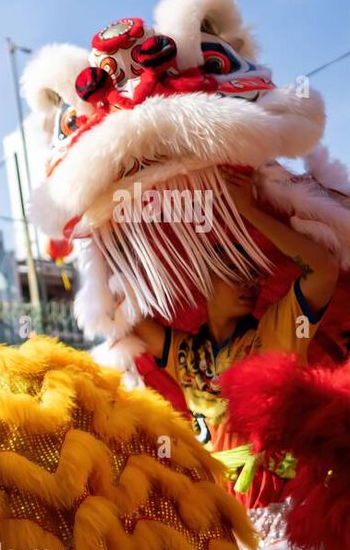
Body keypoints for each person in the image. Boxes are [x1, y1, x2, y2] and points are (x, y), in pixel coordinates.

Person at [133, 172, 339, 453]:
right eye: (235, 272)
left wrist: (249, 211)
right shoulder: (186, 355)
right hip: (210, 494)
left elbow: (324, 270)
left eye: (254, 275)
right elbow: (126, 318)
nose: (250, 283)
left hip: (268, 492)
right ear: (204, 281)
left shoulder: (275, 334)